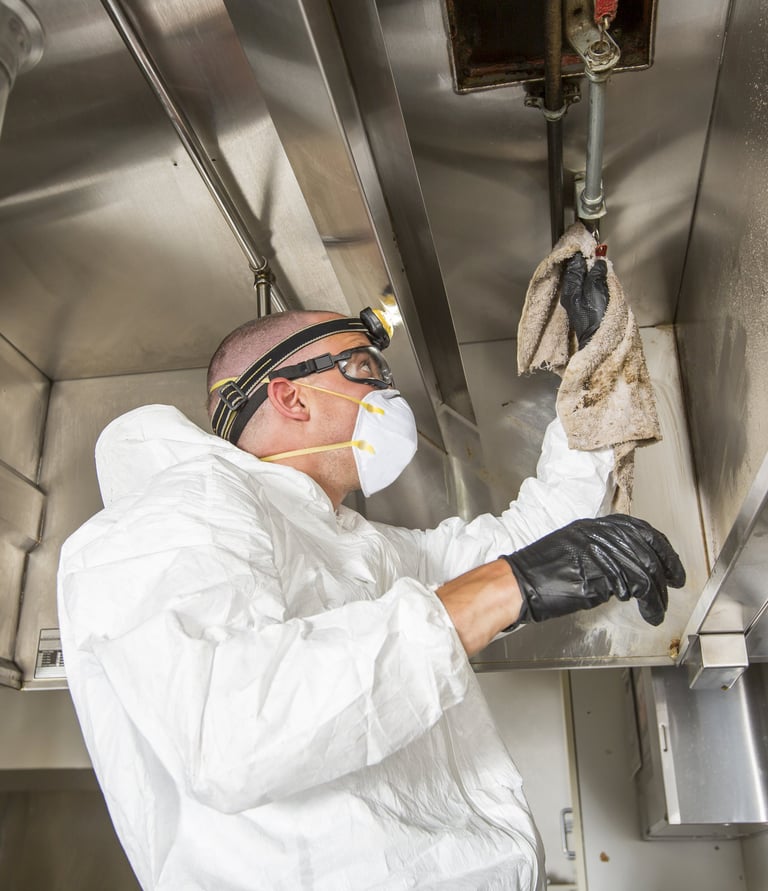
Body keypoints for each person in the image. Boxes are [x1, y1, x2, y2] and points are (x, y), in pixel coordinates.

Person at [58, 261, 684, 890]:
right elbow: (229, 734)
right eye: (364, 369)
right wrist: (503, 588)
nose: (388, 391)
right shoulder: (179, 507)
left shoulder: (355, 547)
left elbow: (530, 545)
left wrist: (597, 366)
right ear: (290, 395)